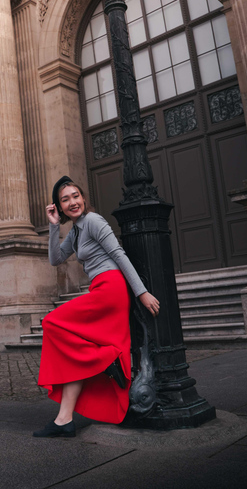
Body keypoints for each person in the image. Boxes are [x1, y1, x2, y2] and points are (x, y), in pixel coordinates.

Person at [33, 176, 160, 438]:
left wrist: (142, 292)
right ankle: (64, 420)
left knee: (52, 323)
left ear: (83, 198)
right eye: (65, 199)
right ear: (59, 206)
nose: (72, 202)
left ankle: (106, 358)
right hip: (100, 288)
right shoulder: (78, 229)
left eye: (75, 196)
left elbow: (118, 254)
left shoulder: (93, 220)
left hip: (110, 288)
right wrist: (54, 226)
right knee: (69, 345)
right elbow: (56, 259)